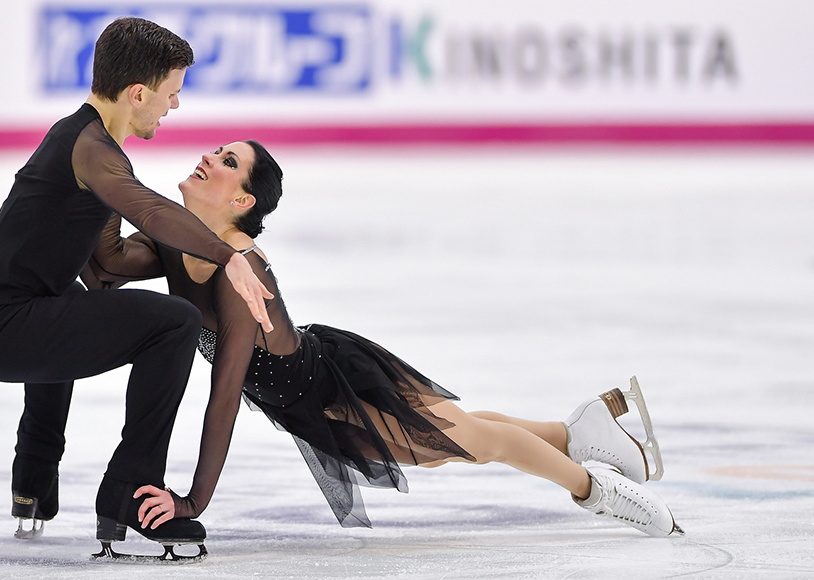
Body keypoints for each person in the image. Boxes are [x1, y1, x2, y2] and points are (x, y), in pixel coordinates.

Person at [80, 140, 684, 539]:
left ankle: (602, 493)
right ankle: (577, 432)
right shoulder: (177, 239)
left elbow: (225, 392)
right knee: (454, 434)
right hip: (306, 400)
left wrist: (194, 501)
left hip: (337, 388)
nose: (210, 156)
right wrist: (105, 178)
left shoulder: (244, 271)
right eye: (216, 150)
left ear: (241, 201)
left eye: (228, 160)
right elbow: (104, 265)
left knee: (469, 442)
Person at [0, 18, 275, 547]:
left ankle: (33, 480)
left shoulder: (82, 141)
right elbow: (149, 208)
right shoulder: (93, 149)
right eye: (172, 93)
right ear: (139, 93)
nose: (175, 106)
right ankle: (130, 490)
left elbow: (103, 269)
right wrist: (225, 257)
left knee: (63, 300)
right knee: (175, 323)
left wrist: (188, 259)